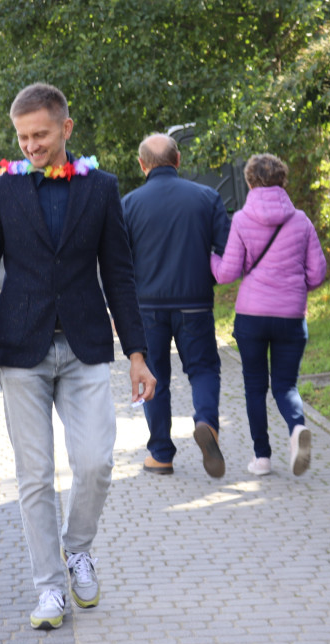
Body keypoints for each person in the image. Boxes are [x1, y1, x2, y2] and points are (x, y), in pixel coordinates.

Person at [0, 82, 156, 631]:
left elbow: (119, 275)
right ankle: (50, 589)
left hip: (85, 345)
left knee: (97, 460)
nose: (31, 145)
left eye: (41, 135)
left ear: (66, 129)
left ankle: (79, 549)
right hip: (20, 350)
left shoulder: (102, 189)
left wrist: (137, 354)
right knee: (35, 476)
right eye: (22, 137)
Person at [121, 133, 232, 478]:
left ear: (142, 165)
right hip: (195, 302)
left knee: (154, 377)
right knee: (202, 369)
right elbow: (228, 249)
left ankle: (161, 454)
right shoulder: (207, 197)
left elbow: (118, 263)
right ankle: (207, 425)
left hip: (147, 306)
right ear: (178, 159)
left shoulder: (128, 204)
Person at [210, 153, 327, 476]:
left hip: (252, 317)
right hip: (291, 316)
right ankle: (296, 429)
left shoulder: (243, 220)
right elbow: (317, 274)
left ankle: (262, 458)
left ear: (249, 182)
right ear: (283, 181)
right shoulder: (301, 220)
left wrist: (209, 259)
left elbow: (227, 273)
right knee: (286, 386)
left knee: (254, 386)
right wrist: (291, 285)